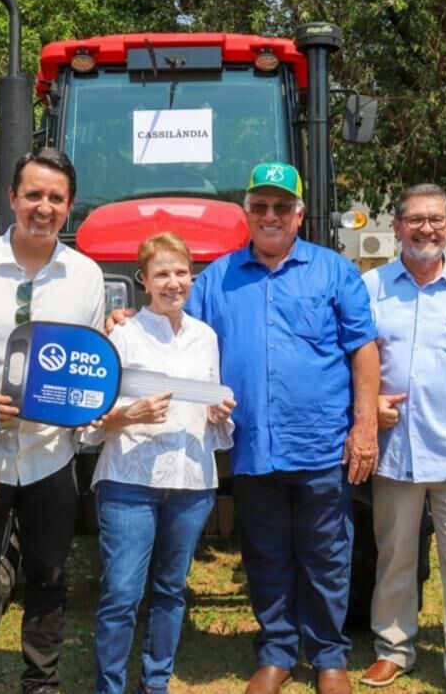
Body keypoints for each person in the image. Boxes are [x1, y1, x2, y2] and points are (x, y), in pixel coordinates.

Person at [181, 161, 379, 694]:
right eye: (261, 206)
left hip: (320, 442)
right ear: (246, 212)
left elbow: (363, 350)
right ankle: (276, 652)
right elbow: (181, 337)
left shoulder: (334, 272)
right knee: (265, 552)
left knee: (327, 554)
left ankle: (329, 657)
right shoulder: (217, 279)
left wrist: (364, 427)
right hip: (252, 444)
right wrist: (128, 322)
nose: (271, 216)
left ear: (300, 213)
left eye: (282, 207)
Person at [0, 147, 105, 694]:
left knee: (49, 572)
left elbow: (91, 358)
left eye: (56, 198)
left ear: (70, 206)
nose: (44, 207)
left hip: (49, 455)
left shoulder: (86, 276)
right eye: (34, 195)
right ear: (12, 197)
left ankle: (40, 679)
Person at [81, 232, 236, 694]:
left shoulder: (205, 337)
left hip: (191, 481)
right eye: (162, 274)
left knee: (171, 589)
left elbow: (210, 409)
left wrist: (217, 414)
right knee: (121, 594)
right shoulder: (123, 335)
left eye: (181, 272)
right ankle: (109, 687)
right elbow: (92, 417)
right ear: (143, 281)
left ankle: (156, 682)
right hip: (130, 479)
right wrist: (129, 415)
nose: (174, 282)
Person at [358, 184, 446, 693]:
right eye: (415, 219)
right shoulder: (370, 288)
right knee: (394, 554)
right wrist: (367, 405)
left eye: (436, 219)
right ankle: (393, 648)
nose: (426, 229)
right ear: (397, 227)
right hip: (395, 450)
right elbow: (353, 360)